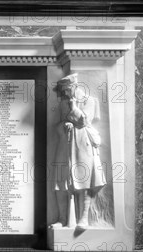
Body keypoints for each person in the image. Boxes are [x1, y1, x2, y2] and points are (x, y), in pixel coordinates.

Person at [51, 73, 106, 230]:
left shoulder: (89, 100)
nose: (66, 94)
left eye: (67, 90)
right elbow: (58, 125)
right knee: (60, 182)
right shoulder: (63, 104)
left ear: (75, 87)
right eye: (64, 91)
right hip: (65, 143)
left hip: (83, 144)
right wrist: (64, 126)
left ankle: (84, 219)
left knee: (84, 180)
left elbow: (83, 121)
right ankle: (62, 219)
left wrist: (74, 107)